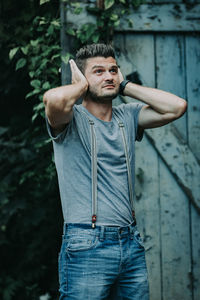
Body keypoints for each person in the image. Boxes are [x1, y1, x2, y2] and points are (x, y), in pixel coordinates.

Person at [43, 43, 187, 300]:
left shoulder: (128, 116)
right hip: (86, 243)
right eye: (98, 71)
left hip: (130, 241)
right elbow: (53, 99)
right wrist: (79, 85)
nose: (108, 75)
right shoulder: (70, 120)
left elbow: (176, 107)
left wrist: (125, 86)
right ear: (84, 79)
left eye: (113, 70)